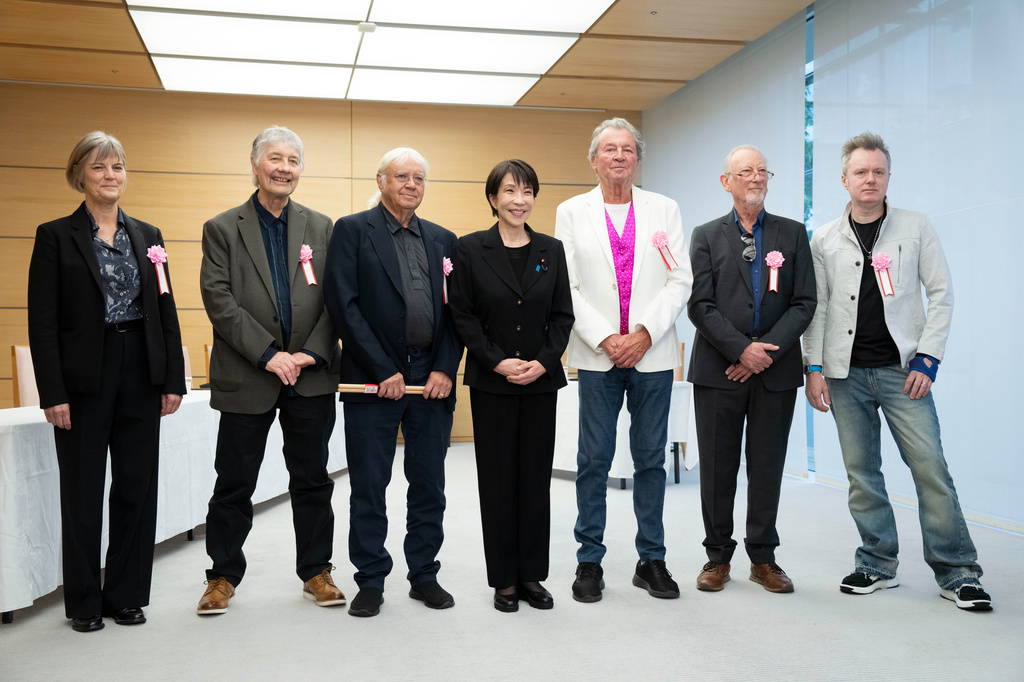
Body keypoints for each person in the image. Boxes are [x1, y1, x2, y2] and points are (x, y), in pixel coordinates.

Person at [803, 132, 991, 611]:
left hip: (903, 372)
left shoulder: (915, 226)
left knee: (930, 469)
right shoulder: (824, 237)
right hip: (845, 376)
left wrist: (928, 359)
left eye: (879, 171)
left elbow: (942, 294)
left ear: (889, 177)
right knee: (862, 473)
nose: (871, 179)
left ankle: (959, 573)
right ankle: (876, 563)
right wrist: (815, 367)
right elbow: (819, 307)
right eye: (861, 172)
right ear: (844, 179)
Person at [27, 131, 186, 632]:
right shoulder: (56, 235)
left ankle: (126, 595)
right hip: (83, 378)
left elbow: (164, 308)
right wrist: (52, 392)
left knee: (136, 487)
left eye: (117, 167)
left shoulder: (149, 234)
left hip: (141, 368)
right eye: (98, 167)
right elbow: (43, 321)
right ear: (80, 175)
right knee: (82, 490)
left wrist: (172, 380)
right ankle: (83, 602)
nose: (110, 176)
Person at [196, 126, 344, 615]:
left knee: (312, 479)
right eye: (275, 159)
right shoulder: (223, 227)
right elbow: (219, 300)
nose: (284, 168)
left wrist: (311, 352)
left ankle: (317, 572)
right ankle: (221, 577)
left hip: (310, 376)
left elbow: (336, 300)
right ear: (256, 165)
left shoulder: (322, 228)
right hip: (249, 374)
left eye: (293, 160)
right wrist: (268, 353)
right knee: (234, 482)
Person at [555, 118, 693, 602]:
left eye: (628, 149)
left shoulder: (665, 209)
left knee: (650, 460)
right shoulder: (571, 211)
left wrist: (642, 333)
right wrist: (606, 338)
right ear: (593, 159)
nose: (619, 156)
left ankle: (651, 559)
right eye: (609, 149)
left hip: (651, 353)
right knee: (593, 460)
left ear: (638, 158)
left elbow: (680, 279)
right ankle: (588, 561)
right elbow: (565, 286)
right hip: (597, 356)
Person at [324, 147, 462, 618]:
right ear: (380, 180)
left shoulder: (445, 240)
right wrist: (384, 368)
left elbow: (455, 313)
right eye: (401, 176)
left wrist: (445, 367)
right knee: (369, 484)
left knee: (429, 484)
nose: (411, 184)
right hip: (372, 379)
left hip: (431, 381)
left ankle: (424, 574)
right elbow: (343, 304)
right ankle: (371, 579)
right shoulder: (351, 231)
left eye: (419, 178)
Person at [687, 146, 816, 594]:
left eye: (763, 171)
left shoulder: (793, 233)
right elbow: (699, 305)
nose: (756, 177)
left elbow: (804, 302)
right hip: (718, 370)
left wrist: (765, 353)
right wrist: (741, 351)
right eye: (746, 171)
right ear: (727, 181)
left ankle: (763, 558)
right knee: (718, 467)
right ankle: (716, 557)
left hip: (775, 373)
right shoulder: (705, 235)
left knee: (766, 465)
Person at [448, 160, 574, 612]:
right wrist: (497, 361)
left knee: (535, 481)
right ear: (492, 198)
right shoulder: (469, 249)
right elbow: (461, 315)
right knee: (498, 481)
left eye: (527, 191)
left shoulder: (551, 249)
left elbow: (562, 317)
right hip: (493, 382)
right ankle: (503, 579)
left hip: (540, 383)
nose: (519, 200)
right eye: (509, 191)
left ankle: (530, 576)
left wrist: (542, 362)